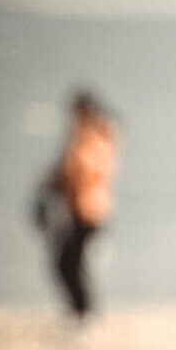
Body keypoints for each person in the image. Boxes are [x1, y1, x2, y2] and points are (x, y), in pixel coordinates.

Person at [35, 92, 119, 318]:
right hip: (83, 209)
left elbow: (82, 171)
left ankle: (83, 310)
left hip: (89, 209)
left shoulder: (92, 139)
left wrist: (58, 179)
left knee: (69, 262)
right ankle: (81, 309)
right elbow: (68, 170)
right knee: (71, 262)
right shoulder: (88, 137)